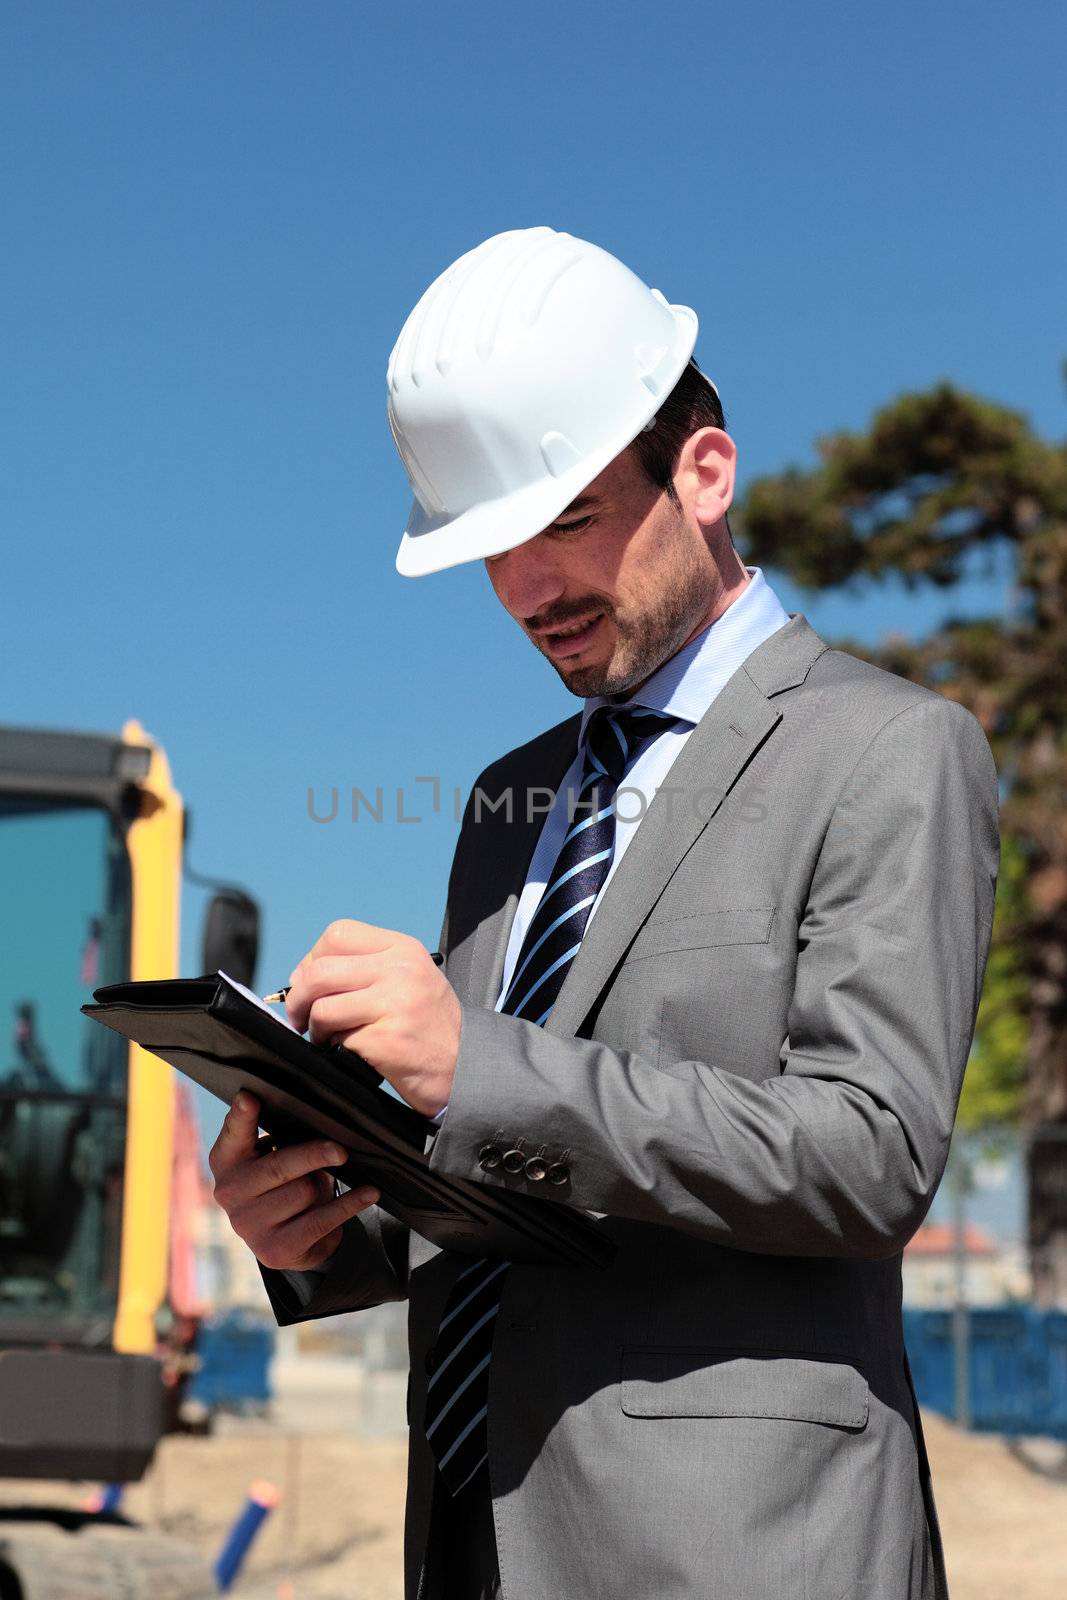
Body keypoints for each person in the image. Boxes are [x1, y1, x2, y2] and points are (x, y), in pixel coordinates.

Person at [209, 227, 1000, 1600]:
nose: (525, 594)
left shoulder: (891, 750)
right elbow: (505, 1174)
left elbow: (872, 1154)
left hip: (740, 1551)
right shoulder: (507, 800)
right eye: (493, 550)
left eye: (561, 523)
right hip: (473, 1535)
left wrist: (476, 1063)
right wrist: (325, 1224)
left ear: (704, 472)